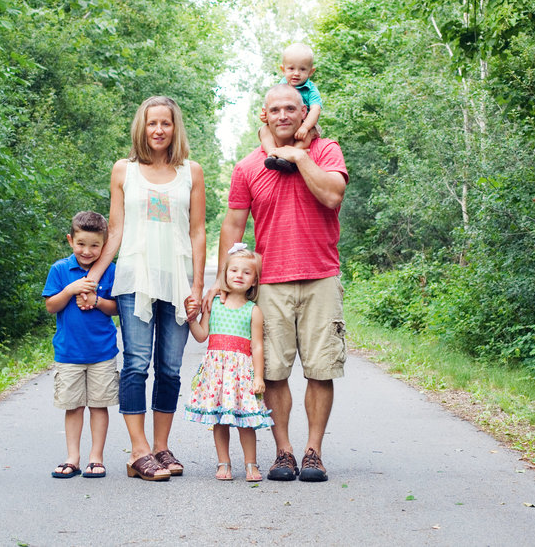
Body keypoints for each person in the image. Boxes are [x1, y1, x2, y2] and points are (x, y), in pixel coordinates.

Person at [208, 83, 348, 483]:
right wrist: (222, 278)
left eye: (293, 108)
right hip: (270, 283)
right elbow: (233, 224)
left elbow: (332, 195)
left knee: (320, 370)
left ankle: (313, 452)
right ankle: (283, 451)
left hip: (321, 276)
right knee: (272, 372)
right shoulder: (249, 167)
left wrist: (298, 157)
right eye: (276, 110)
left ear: (304, 114)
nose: (285, 115)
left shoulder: (326, 151)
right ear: (264, 116)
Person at [81, 96, 206, 481]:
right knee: (136, 363)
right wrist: (94, 277)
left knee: (169, 368)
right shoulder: (124, 171)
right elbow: (115, 230)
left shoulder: (192, 172)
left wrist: (197, 286)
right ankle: (138, 452)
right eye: (152, 123)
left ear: (174, 128)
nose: (158, 130)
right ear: (142, 126)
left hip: (177, 281)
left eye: (165, 123)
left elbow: (198, 231)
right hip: (135, 279)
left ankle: (161, 446)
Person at [184, 243, 273, 482]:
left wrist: (258, 376)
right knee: (219, 420)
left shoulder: (253, 310)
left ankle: (251, 464)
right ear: (224, 274)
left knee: (246, 421)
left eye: (246, 272)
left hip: (241, 373)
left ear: (254, 280)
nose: (239, 276)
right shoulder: (214, 305)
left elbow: (257, 346)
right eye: (234, 270)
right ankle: (223, 462)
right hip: (217, 373)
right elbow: (202, 335)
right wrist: (192, 319)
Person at [42, 211, 120, 479]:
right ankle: (72, 457)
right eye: (81, 244)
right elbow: (51, 306)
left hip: (102, 352)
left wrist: (97, 300)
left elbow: (117, 309)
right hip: (69, 353)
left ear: (105, 244)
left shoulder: (110, 270)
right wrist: (70, 290)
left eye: (95, 245)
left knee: (99, 405)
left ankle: (95, 457)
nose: (87, 251)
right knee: (73, 406)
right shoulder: (60, 270)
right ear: (70, 240)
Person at [260, 42, 323, 173]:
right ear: (283, 70)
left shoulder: (311, 90)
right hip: (286, 126)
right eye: (291, 69)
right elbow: (271, 102)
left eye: (302, 69)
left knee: (308, 134)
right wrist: (265, 115)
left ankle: (293, 154)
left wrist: (305, 127)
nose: (296, 73)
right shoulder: (280, 86)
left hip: (307, 124)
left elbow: (316, 110)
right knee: (263, 130)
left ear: (311, 71)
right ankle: (272, 154)